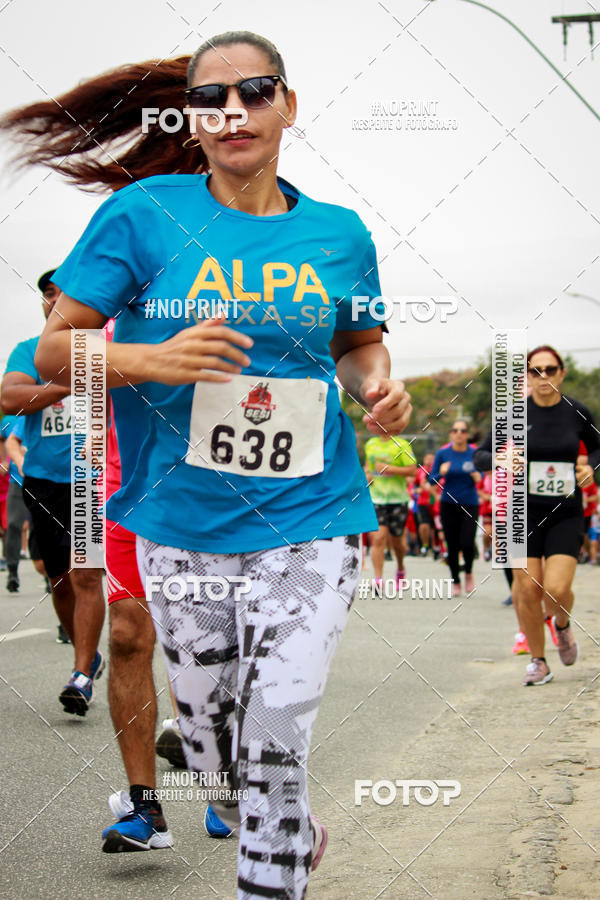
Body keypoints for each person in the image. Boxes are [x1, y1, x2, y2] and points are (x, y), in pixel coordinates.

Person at [26, 31, 411, 897]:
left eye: (257, 90)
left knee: (275, 738)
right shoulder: (144, 215)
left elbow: (358, 347)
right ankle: (278, 820)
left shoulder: (338, 233)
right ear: (192, 117)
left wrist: (378, 387)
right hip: (180, 523)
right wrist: (153, 360)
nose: (234, 110)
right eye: (212, 98)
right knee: (215, 755)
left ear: (289, 106)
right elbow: (53, 358)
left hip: (312, 518)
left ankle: (268, 876)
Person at [1, 271, 105, 713]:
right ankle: (88, 654)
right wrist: (66, 387)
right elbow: (9, 398)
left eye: (64, 292)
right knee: (58, 578)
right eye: (47, 293)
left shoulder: (104, 347)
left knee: (85, 576)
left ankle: (81, 673)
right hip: (43, 481)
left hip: (90, 480)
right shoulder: (30, 351)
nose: (55, 299)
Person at [474, 345, 600, 686]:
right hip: (522, 513)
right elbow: (481, 455)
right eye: (535, 371)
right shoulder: (514, 415)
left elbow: (598, 445)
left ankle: (561, 624)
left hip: (565, 511)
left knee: (557, 589)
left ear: (561, 373)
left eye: (550, 369)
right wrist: (499, 461)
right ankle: (538, 660)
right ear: (527, 377)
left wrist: (590, 465)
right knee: (527, 588)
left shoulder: (577, 411)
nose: (543, 377)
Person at [429, 420, 481, 596]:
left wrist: (478, 476)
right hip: (448, 503)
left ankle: (468, 572)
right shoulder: (443, 453)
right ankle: (455, 580)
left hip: (470, 503)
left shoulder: (474, 453)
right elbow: (431, 479)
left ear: (467, 434)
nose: (459, 433)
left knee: (467, 542)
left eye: (463, 430)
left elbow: (482, 473)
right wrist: (441, 473)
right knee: (452, 544)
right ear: (451, 434)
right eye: (455, 430)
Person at [364, 434, 417, 590]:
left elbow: (412, 470)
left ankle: (400, 567)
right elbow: (369, 467)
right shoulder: (371, 443)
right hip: (377, 499)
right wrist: (367, 475)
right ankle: (378, 579)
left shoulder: (402, 444)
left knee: (397, 542)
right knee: (378, 538)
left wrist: (389, 469)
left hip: (397, 499)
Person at [414, 452, 436, 556]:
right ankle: (425, 545)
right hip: (423, 502)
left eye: (431, 458)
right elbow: (413, 484)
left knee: (437, 526)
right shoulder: (419, 471)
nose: (429, 460)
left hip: (436, 502)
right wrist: (416, 490)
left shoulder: (437, 470)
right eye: (427, 458)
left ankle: (437, 547)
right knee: (424, 524)